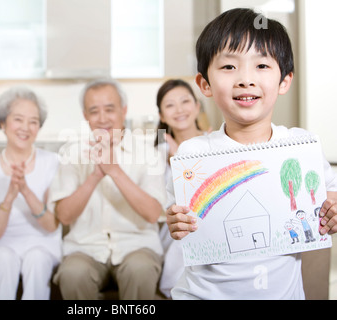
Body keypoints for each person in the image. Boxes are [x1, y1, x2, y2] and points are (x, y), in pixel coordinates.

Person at [166, 8, 337, 300]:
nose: (245, 79)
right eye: (229, 67)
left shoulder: (302, 146)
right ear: (204, 84)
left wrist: (332, 211)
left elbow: (329, 198)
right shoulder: (192, 154)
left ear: (284, 81)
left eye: (261, 65)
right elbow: (177, 216)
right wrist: (176, 222)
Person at [48, 78, 166, 300]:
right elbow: (64, 216)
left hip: (137, 246)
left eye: (109, 109)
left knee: (140, 270)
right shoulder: (72, 154)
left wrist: (114, 170)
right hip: (85, 248)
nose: (102, 118)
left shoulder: (148, 152)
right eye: (94, 111)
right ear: (85, 116)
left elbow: (153, 213)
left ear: (124, 110)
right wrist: (95, 175)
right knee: (72, 274)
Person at [0, 86, 61, 300]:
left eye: (33, 122)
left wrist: (25, 190)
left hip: (43, 242)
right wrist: (10, 196)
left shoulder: (52, 163)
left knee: (37, 259)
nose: (26, 127)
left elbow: (51, 225)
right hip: (2, 245)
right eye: (18, 119)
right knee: (3, 259)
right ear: (3, 123)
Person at [154, 79, 208, 298]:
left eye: (185, 101)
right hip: (174, 231)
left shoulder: (214, 144)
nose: (179, 109)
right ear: (162, 116)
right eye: (170, 105)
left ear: (197, 106)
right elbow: (157, 205)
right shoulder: (157, 153)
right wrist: (173, 164)